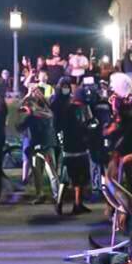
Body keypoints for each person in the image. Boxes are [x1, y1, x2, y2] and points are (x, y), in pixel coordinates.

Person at [51, 76, 93, 215]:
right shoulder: (62, 107)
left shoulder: (80, 108)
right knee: (66, 176)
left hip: (80, 145)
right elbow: (59, 126)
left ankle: (78, 204)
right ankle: (59, 203)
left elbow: (88, 123)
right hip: (69, 146)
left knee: (79, 178)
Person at [18, 82, 60, 205]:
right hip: (34, 145)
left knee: (51, 172)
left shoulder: (45, 109)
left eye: (37, 93)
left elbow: (50, 114)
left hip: (46, 144)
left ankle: (57, 195)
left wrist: (36, 107)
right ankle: (39, 194)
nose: (35, 95)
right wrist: (28, 94)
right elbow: (20, 109)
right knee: (37, 173)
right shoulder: (30, 111)